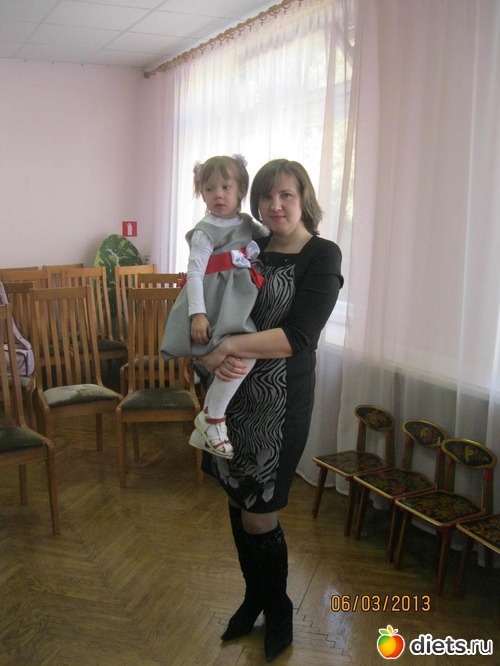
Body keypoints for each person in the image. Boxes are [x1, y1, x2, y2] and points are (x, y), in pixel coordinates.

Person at [197, 158, 343, 662]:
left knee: (261, 514)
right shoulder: (250, 246)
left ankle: (278, 607)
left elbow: (297, 336)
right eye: (265, 196)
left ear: (304, 199)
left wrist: (228, 346)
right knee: (237, 501)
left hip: (278, 409)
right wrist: (210, 350)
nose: (274, 205)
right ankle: (253, 597)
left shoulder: (322, 254)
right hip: (229, 399)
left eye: (285, 195)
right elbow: (216, 303)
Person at [161, 154, 269, 459]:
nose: (218, 195)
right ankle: (213, 419)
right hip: (213, 303)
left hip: (235, 301)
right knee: (243, 354)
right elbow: (194, 273)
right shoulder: (205, 229)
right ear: (201, 193)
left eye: (225, 187)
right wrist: (198, 314)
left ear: (241, 190)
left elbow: (270, 238)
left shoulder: (247, 223)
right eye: (209, 189)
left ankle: (209, 420)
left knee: (238, 356)